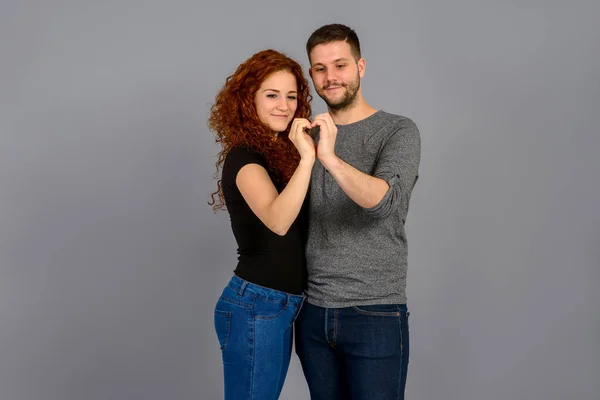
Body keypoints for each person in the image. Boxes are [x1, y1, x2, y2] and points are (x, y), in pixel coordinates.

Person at [294, 24, 421, 399]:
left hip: (375, 310)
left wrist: (329, 158)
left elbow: (382, 202)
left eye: (340, 65)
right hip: (313, 311)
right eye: (320, 68)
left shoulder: (397, 130)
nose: (330, 77)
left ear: (360, 66)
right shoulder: (304, 136)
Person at [208, 49, 315, 399]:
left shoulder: (279, 154)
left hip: (281, 306)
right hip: (256, 305)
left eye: (291, 96)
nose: (284, 105)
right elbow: (279, 220)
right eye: (272, 95)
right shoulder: (244, 158)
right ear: (247, 100)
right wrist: (309, 159)